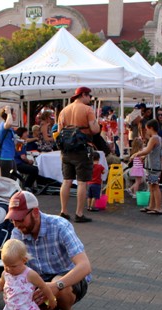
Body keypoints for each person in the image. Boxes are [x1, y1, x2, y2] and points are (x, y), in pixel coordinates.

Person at [7, 191, 92, 310]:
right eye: (13, 219)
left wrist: (55, 286)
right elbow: (12, 267)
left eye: (20, 219)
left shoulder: (60, 226)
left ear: (35, 212)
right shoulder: (17, 233)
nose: (16, 224)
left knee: (60, 286)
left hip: (67, 281)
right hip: (39, 280)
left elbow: (85, 266)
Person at [57, 86, 101, 223]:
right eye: (89, 96)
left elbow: (58, 131)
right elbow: (94, 129)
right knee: (82, 182)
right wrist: (97, 126)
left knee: (67, 181)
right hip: (82, 149)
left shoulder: (64, 111)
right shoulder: (88, 110)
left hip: (66, 150)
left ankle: (64, 211)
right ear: (83, 95)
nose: (90, 99)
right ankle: (79, 213)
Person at [130, 119, 162, 215]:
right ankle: (152, 206)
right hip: (153, 165)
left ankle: (158, 207)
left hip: (154, 166)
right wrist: (143, 156)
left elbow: (147, 150)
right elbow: (151, 151)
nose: (146, 131)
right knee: (151, 186)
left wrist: (136, 154)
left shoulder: (154, 138)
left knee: (155, 186)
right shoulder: (158, 138)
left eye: (147, 129)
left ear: (151, 128)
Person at [0, 106, 17, 177]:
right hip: (4, 157)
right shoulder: (3, 125)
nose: (15, 115)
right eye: (13, 113)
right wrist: (9, 113)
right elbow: (9, 123)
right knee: (6, 181)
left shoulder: (9, 128)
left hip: (10, 157)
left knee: (13, 179)